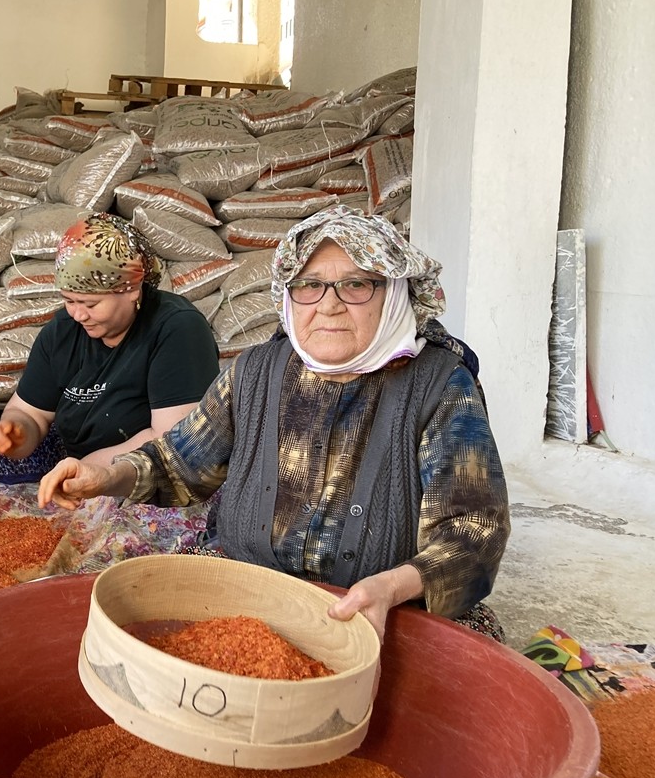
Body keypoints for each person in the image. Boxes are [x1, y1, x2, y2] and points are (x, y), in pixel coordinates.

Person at [38, 205, 510, 642]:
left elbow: (473, 529)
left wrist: (390, 587)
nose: (327, 305)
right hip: (247, 580)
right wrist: (106, 475)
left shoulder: (440, 385)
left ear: (394, 293)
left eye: (356, 284)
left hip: (376, 606)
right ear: (287, 296)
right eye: (308, 285)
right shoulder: (256, 371)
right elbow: (179, 461)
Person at [0, 213, 221, 485]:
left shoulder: (177, 328)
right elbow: (29, 412)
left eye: (91, 303)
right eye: (70, 301)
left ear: (133, 289)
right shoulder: (62, 331)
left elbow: (171, 442)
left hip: (142, 463)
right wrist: (15, 433)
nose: (78, 314)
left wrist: (96, 472)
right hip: (69, 451)